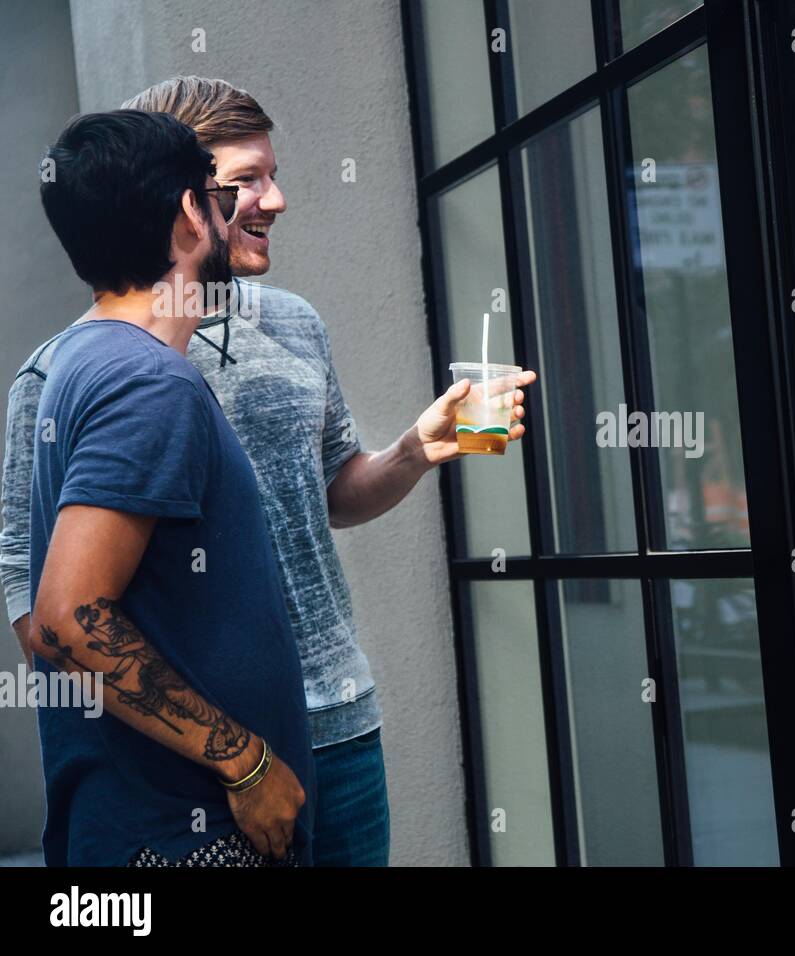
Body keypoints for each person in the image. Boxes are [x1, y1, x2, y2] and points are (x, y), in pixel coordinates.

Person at [0, 77, 537, 866]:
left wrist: (414, 451)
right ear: (188, 203)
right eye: (242, 182)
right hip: (198, 769)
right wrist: (215, 752)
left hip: (327, 729)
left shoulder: (285, 326)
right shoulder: (103, 374)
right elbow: (49, 601)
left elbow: (325, 494)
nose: (273, 199)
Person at [26, 109, 314, 866]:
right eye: (220, 195)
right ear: (191, 212)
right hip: (183, 839)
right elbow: (68, 617)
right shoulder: (148, 382)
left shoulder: (90, 358)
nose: (246, 210)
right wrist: (245, 763)